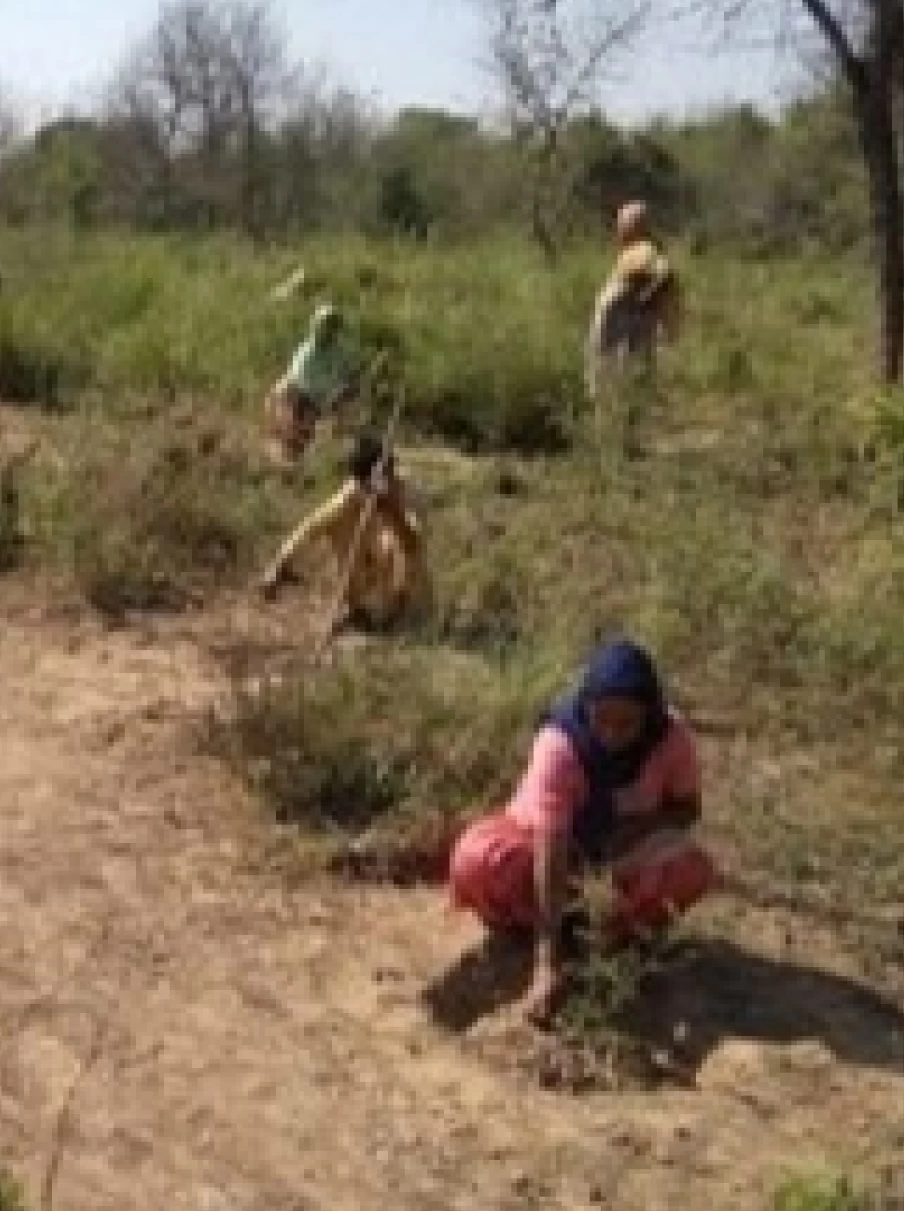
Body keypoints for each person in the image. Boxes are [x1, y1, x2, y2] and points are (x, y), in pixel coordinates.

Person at [447, 639, 718, 1026]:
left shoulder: (671, 738)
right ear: (585, 707)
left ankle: (606, 932)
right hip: (546, 850)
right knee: (476, 860)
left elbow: (687, 809)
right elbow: (551, 848)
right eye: (602, 720)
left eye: (627, 724)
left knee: (689, 869)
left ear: (649, 716)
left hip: (618, 862)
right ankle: (547, 926)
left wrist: (642, 826)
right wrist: (547, 963)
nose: (612, 734)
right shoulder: (559, 744)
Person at [257, 430, 430, 632]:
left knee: (393, 546)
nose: (363, 488)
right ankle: (358, 607)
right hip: (367, 568)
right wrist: (280, 564)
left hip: (404, 584)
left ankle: (395, 610)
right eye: (362, 483)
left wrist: (390, 506)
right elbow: (312, 526)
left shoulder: (409, 493)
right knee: (337, 524)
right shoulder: (354, 491)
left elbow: (412, 544)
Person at [585, 200, 682, 402]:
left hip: (620, 331)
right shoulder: (634, 253)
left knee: (612, 386)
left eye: (621, 225)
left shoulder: (643, 249)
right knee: (627, 385)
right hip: (625, 331)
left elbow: (665, 274)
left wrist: (652, 308)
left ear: (632, 227)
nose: (617, 232)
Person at [264, 303, 362, 460]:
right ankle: (288, 440)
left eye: (330, 329)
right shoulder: (307, 352)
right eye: (323, 329)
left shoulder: (340, 352)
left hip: (324, 397)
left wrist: (347, 389)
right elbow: (300, 381)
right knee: (285, 403)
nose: (325, 333)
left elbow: (351, 374)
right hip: (304, 395)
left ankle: (332, 442)